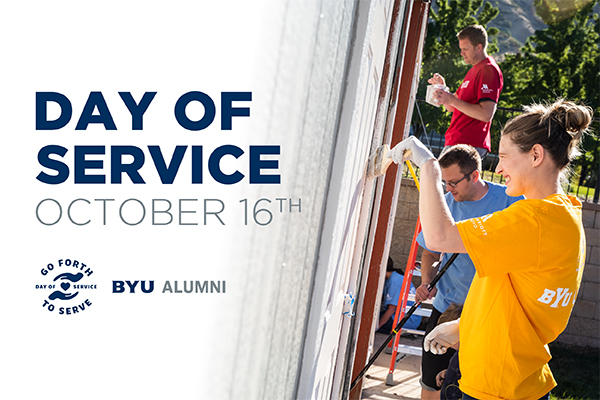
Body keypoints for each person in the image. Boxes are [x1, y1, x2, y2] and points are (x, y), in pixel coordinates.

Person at [387, 99, 591, 399]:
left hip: (495, 385)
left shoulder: (533, 221)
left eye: (505, 156)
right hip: (511, 377)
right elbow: (515, 300)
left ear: (536, 155)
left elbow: (438, 237)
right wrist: (463, 328)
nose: (498, 166)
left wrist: (429, 165)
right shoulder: (564, 214)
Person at [414, 144, 523, 400]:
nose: (448, 190)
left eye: (453, 182)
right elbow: (429, 252)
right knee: (432, 380)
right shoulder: (446, 205)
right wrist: (427, 280)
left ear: (474, 175)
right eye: (445, 183)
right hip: (448, 306)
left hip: (487, 312)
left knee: (469, 386)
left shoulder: (510, 201)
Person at [429, 25, 503, 159]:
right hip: (457, 142)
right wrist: (443, 88)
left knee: (438, 179)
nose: (461, 53)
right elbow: (451, 107)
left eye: (465, 49)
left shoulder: (488, 69)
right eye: (461, 49)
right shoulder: (474, 70)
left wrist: (451, 99)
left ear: (479, 47)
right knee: (437, 178)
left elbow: (486, 114)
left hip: (468, 145)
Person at [377, 257, 421, 334]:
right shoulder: (393, 278)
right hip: (407, 317)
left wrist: (376, 327)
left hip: (407, 320)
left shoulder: (394, 281)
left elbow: (391, 310)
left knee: (373, 322)